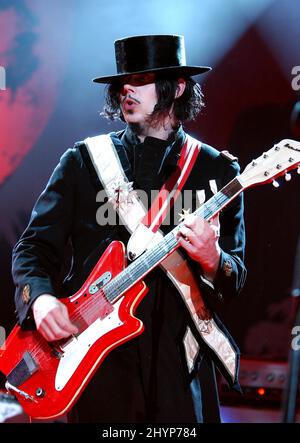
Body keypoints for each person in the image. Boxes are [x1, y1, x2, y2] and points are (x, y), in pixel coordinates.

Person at [12, 35, 246, 423]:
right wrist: (39, 299)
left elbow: (235, 277)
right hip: (97, 367)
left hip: (180, 371)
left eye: (141, 79)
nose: (126, 89)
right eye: (122, 81)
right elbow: (34, 247)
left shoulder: (216, 170)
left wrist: (212, 258)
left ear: (178, 86)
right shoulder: (84, 161)